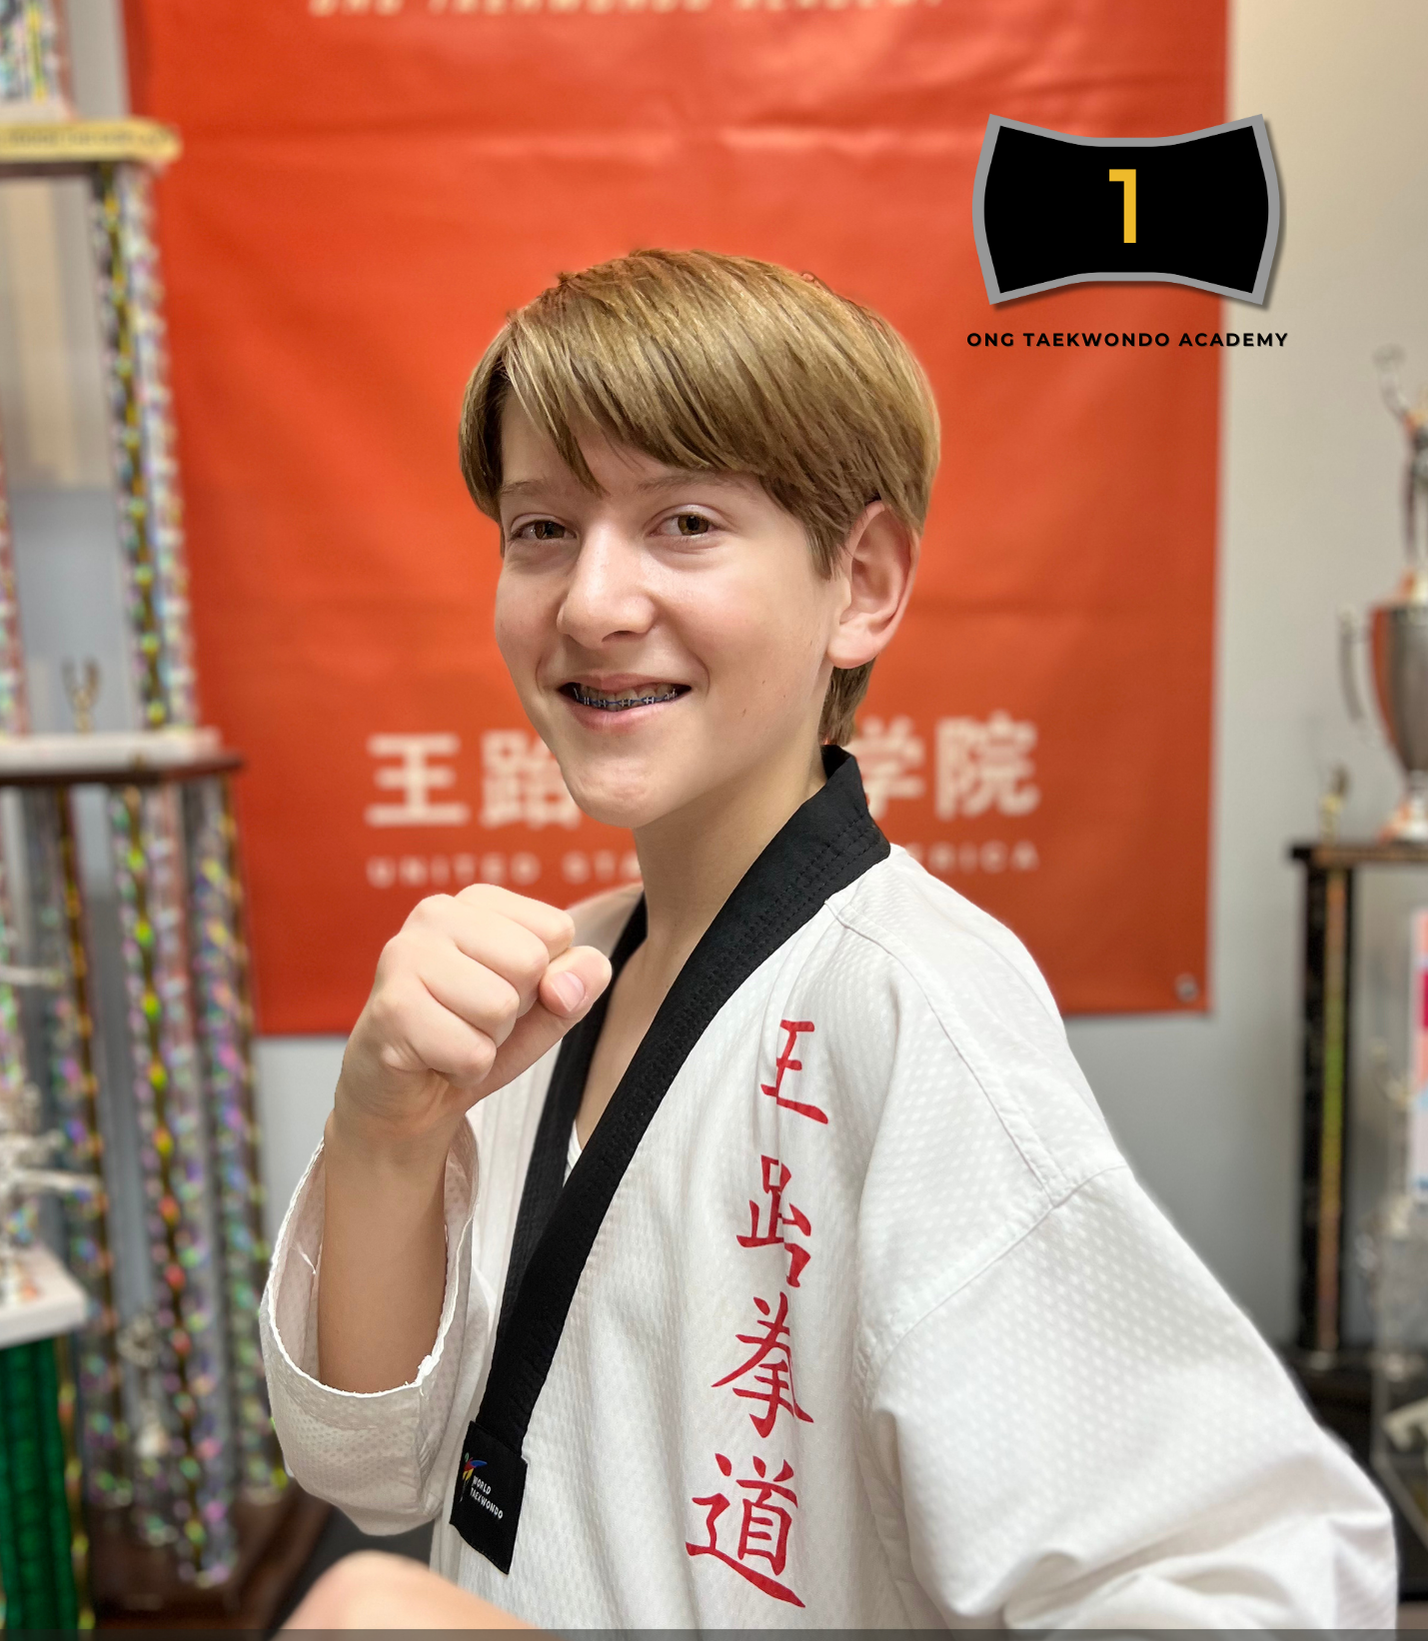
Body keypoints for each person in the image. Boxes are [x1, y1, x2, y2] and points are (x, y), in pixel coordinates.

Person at [263, 249, 1396, 1629]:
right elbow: (376, 1471)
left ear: (860, 583)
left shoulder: (909, 1005)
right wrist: (386, 1137)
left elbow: (1258, 1586)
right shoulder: (545, 982)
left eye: (682, 522)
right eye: (539, 528)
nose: (591, 603)